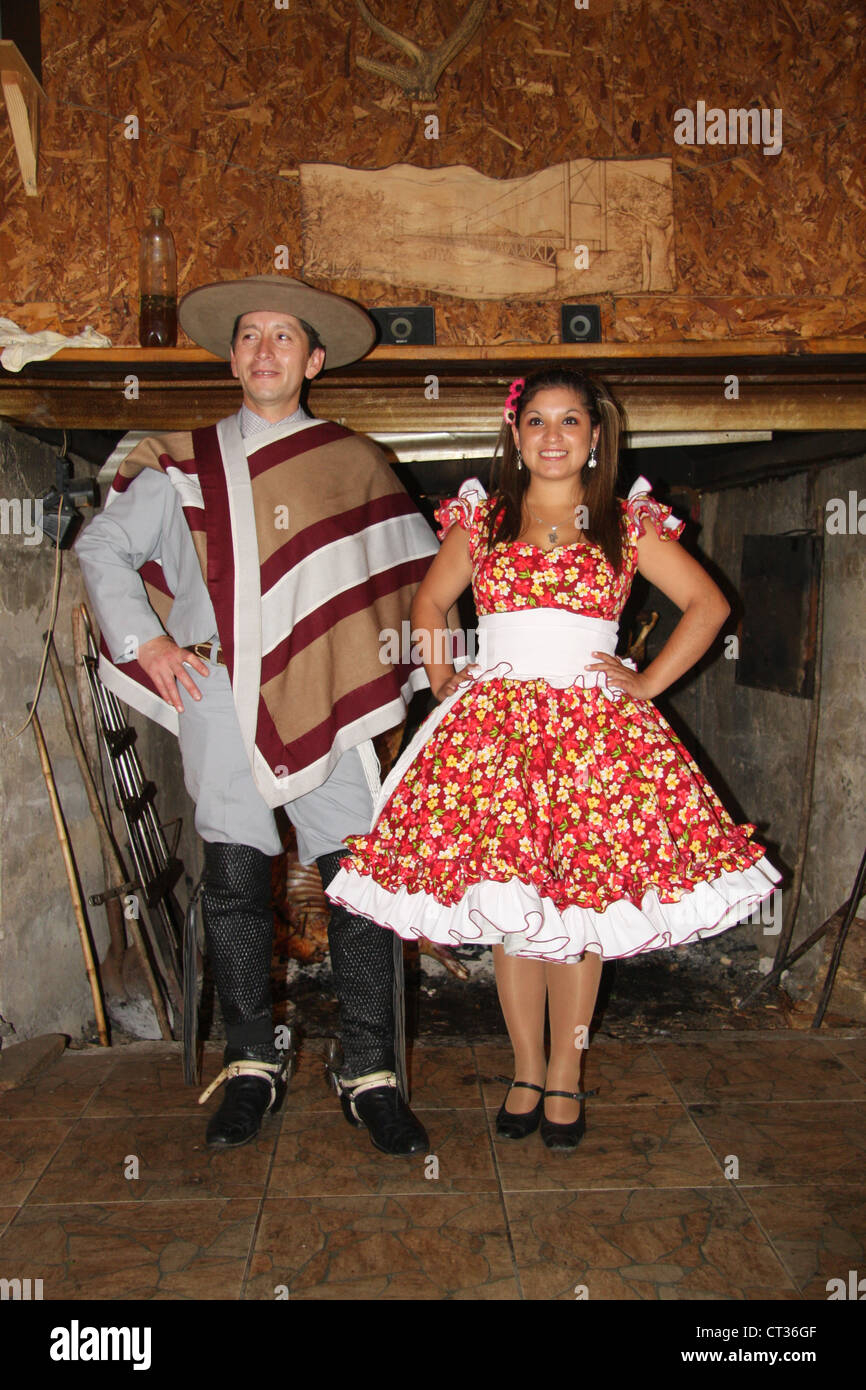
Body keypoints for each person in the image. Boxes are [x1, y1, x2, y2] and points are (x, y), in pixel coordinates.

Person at [326, 366, 781, 1152]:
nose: (553, 436)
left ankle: (566, 1075)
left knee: (580, 913)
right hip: (494, 738)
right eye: (537, 420)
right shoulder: (486, 519)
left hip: (594, 740)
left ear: (595, 436)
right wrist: (442, 677)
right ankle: (525, 1068)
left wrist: (646, 684)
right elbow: (430, 603)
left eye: (571, 421)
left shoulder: (626, 521)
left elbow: (709, 606)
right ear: (515, 433)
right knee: (514, 914)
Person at [75, 273, 438, 1154]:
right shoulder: (181, 465)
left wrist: (446, 671)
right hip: (217, 694)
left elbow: (416, 583)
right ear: (233, 356)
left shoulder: (354, 462)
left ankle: (370, 1071)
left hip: (325, 700)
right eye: (249, 336)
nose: (264, 350)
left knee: (360, 884)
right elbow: (101, 545)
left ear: (312, 359)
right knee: (235, 881)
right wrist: (148, 646)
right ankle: (251, 1064)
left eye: (284, 336)